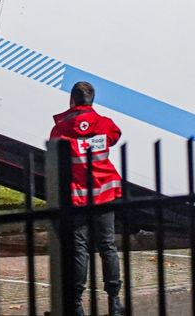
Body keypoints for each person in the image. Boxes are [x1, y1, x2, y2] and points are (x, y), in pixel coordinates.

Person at [50, 81, 124, 316]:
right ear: (92, 100)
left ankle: (76, 304)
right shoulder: (105, 124)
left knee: (79, 249)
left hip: (78, 197)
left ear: (72, 100)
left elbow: (56, 155)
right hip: (104, 193)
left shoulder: (61, 128)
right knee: (108, 247)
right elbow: (115, 136)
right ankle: (114, 301)